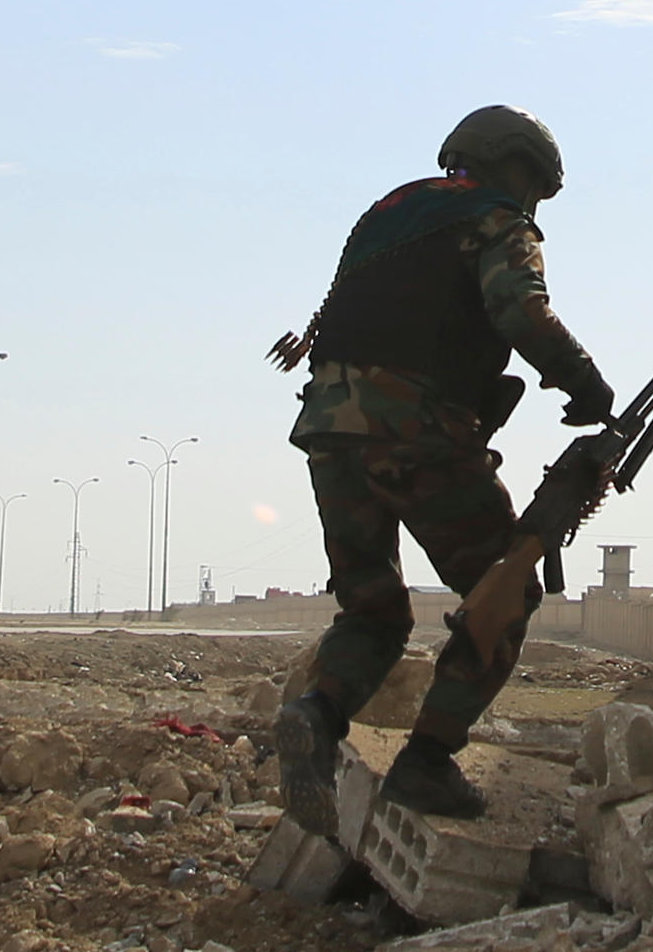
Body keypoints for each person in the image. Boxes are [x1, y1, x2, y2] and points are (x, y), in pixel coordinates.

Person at [265, 104, 620, 831]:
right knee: (506, 586)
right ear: (514, 168)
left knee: (373, 609)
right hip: (418, 433)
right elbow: (520, 313)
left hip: (330, 431)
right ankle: (426, 763)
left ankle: (316, 714)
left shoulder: (384, 216)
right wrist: (586, 384)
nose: (531, 205)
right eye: (533, 189)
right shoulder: (496, 220)